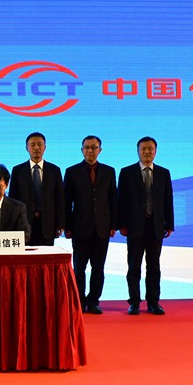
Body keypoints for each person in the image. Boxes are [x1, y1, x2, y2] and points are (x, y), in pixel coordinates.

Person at [117, 136, 174, 316]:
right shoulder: (127, 172)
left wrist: (170, 224)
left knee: (154, 267)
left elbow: (168, 200)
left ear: (156, 152)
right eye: (144, 149)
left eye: (150, 149)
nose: (147, 152)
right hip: (134, 227)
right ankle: (134, 302)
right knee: (134, 266)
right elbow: (121, 201)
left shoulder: (164, 173)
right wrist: (121, 224)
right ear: (138, 151)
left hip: (156, 227)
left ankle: (153, 302)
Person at [64, 135, 117, 315]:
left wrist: (113, 225)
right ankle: (79, 301)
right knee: (79, 268)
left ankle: (94, 301)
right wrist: (67, 227)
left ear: (100, 150)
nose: (90, 151)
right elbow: (67, 202)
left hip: (102, 228)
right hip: (80, 228)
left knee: (98, 268)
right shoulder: (72, 172)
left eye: (94, 147)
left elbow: (113, 200)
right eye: (87, 147)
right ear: (82, 150)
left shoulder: (109, 171)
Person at [9, 132, 65, 246]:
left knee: (46, 256)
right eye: (32, 144)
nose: (36, 148)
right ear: (27, 148)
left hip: (48, 224)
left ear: (45, 147)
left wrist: (60, 224)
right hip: (24, 223)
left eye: (39, 144)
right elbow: (13, 200)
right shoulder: (17, 170)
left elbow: (59, 199)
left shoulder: (54, 170)